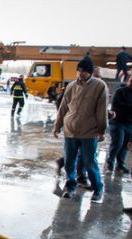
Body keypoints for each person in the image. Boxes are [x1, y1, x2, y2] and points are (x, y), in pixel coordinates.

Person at [52, 56, 108, 202]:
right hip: (70, 131)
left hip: (89, 133)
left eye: (84, 71)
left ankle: (97, 189)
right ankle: (70, 187)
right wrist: (57, 126)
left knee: (90, 163)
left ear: (90, 72)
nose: (81, 73)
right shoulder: (71, 86)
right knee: (70, 162)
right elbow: (63, 107)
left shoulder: (99, 86)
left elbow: (102, 110)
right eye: (79, 70)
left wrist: (101, 130)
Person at [105, 75, 132, 173]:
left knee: (125, 144)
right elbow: (117, 106)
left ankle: (120, 164)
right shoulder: (120, 92)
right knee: (118, 142)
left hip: (130, 123)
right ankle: (110, 162)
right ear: (129, 81)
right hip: (117, 122)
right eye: (131, 80)